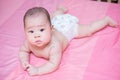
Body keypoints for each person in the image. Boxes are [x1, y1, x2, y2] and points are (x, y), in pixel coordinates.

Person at [19, 6, 117, 76]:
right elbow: (23, 51)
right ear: (25, 32)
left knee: (89, 29)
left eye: (41, 30)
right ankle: (60, 10)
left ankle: (105, 20)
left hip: (67, 29)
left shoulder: (54, 45)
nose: (36, 35)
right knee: (54, 17)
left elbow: (53, 64)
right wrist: (24, 61)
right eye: (31, 31)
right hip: (56, 21)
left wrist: (38, 70)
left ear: (51, 29)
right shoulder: (29, 43)